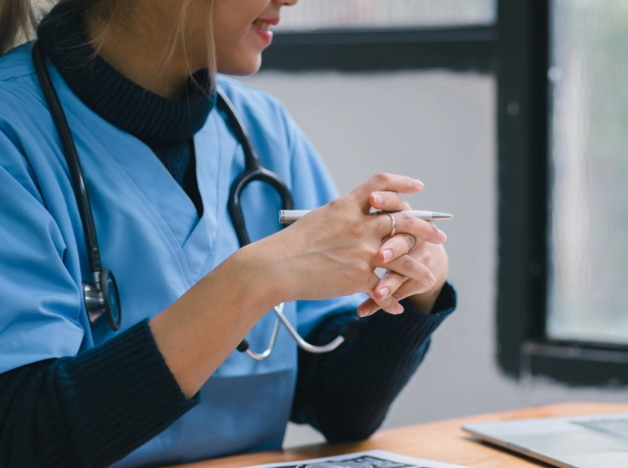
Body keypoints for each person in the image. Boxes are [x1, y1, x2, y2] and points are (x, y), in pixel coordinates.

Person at [0, 0, 456, 467]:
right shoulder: (10, 132)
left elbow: (335, 404)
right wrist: (253, 280)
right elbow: (21, 436)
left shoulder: (264, 129)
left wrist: (418, 275)